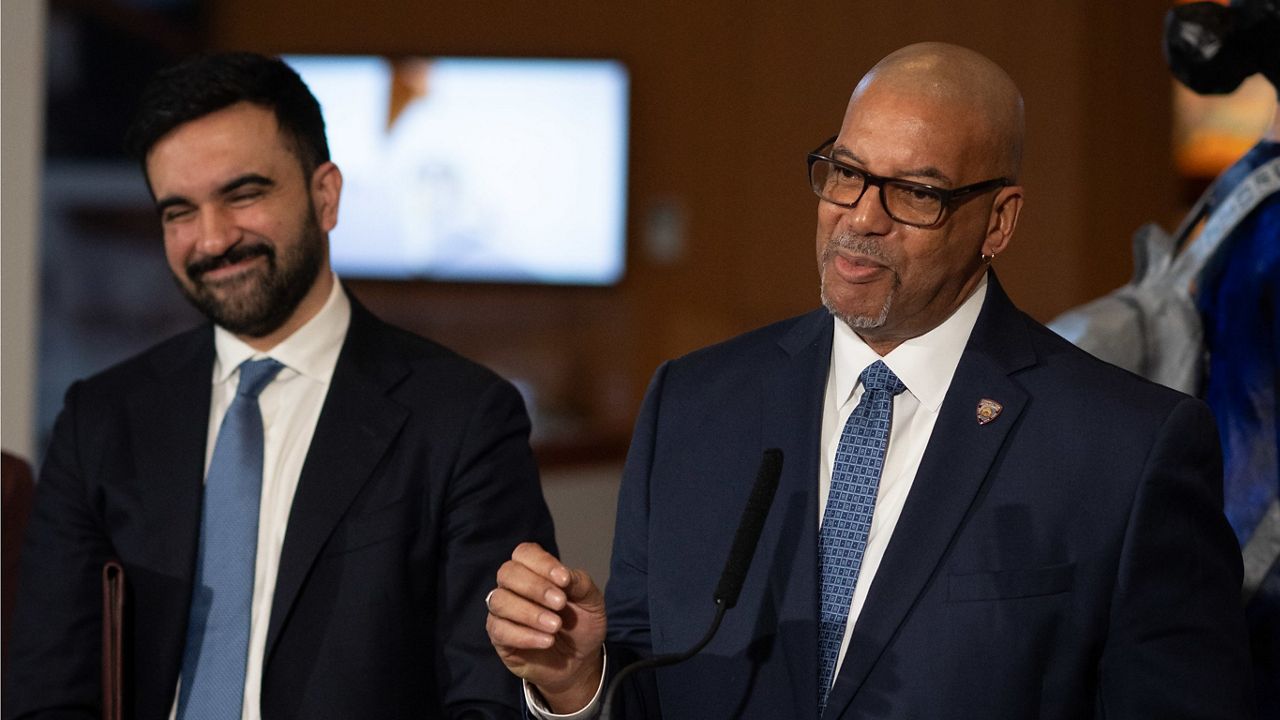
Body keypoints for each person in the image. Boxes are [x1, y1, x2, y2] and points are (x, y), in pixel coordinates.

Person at [485, 42, 1253, 719]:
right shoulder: (692, 404)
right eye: (845, 173)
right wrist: (578, 683)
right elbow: (647, 684)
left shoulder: (1126, 447)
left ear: (998, 222)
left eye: (916, 192)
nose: (860, 217)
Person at [2, 52, 555, 720]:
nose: (212, 238)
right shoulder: (101, 419)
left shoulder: (463, 420)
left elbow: (491, 701)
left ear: (326, 195)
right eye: (179, 211)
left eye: (243, 195)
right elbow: (46, 694)